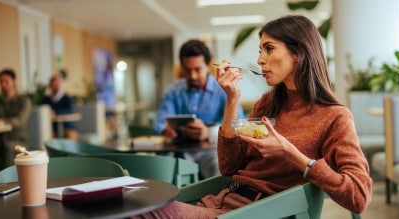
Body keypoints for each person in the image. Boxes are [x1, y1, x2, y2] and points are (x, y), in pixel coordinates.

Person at [134, 15, 372, 218]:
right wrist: (232, 98)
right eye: (261, 50)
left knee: (139, 209)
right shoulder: (267, 104)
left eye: (269, 49)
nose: (260, 59)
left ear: (299, 52)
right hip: (221, 201)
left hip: (252, 212)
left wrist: (291, 154)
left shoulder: (335, 117)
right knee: (134, 198)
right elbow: (229, 166)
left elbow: (359, 196)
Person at [153, 39, 245, 179]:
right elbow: (158, 123)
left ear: (208, 66)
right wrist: (166, 129)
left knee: (220, 170)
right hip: (181, 151)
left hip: (213, 150)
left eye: (197, 69)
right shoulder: (173, 91)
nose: (192, 76)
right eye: (187, 70)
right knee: (164, 172)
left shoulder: (223, 90)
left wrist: (208, 132)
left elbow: (239, 125)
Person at [0, 69, 32, 171]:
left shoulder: (24, 101)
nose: (3, 84)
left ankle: (6, 184)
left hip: (18, 140)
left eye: (6, 81)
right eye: (1, 81)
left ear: (14, 81)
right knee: (2, 146)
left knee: (8, 147)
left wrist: (2, 121)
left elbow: (20, 120)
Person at [40, 74, 78, 140]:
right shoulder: (46, 100)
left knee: (72, 136)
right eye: (53, 84)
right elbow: (41, 110)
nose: (55, 86)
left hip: (67, 127)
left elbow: (69, 110)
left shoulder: (67, 98)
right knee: (46, 137)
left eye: (57, 84)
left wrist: (55, 112)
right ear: (50, 86)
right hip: (52, 128)